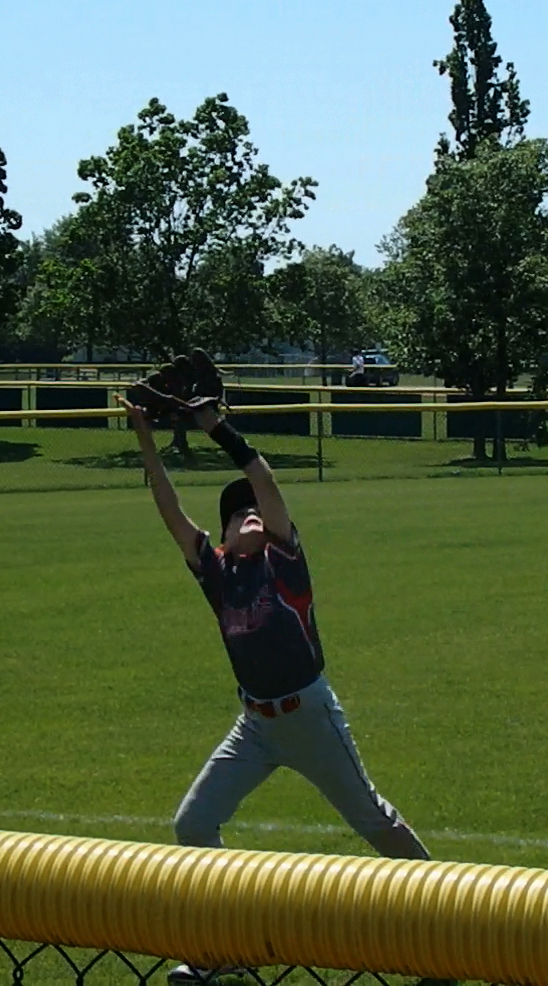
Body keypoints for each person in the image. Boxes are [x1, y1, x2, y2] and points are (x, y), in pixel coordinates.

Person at [120, 393, 432, 984]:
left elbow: (263, 480)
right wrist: (143, 436)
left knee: (372, 819)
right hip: (255, 727)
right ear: (225, 533)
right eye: (239, 515)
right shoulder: (216, 572)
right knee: (192, 825)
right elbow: (167, 509)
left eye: (256, 511)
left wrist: (219, 429)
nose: (251, 515)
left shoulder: (285, 561)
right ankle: (228, 945)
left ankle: (450, 920)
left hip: (310, 717)